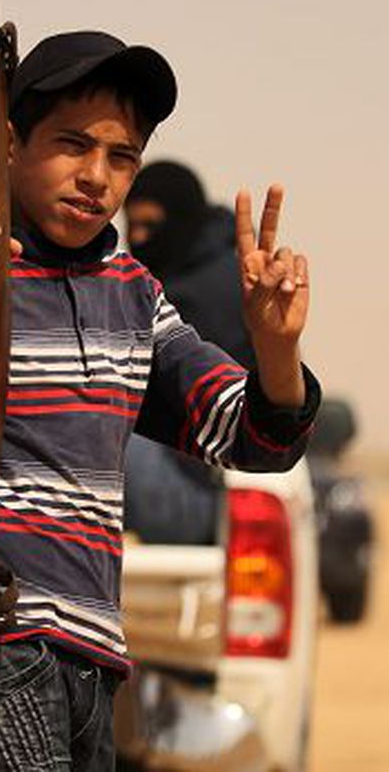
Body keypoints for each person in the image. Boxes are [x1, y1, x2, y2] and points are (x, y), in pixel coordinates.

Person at [0, 32, 320, 771]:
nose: (96, 177)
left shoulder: (133, 293)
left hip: (92, 662)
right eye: (72, 145)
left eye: (121, 157)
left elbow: (257, 441)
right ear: (10, 144)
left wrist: (274, 349)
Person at [122, 161, 255, 545]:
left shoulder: (197, 294)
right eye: (134, 226)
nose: (140, 237)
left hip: (205, 493)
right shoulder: (221, 275)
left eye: (152, 225)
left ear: (179, 221)